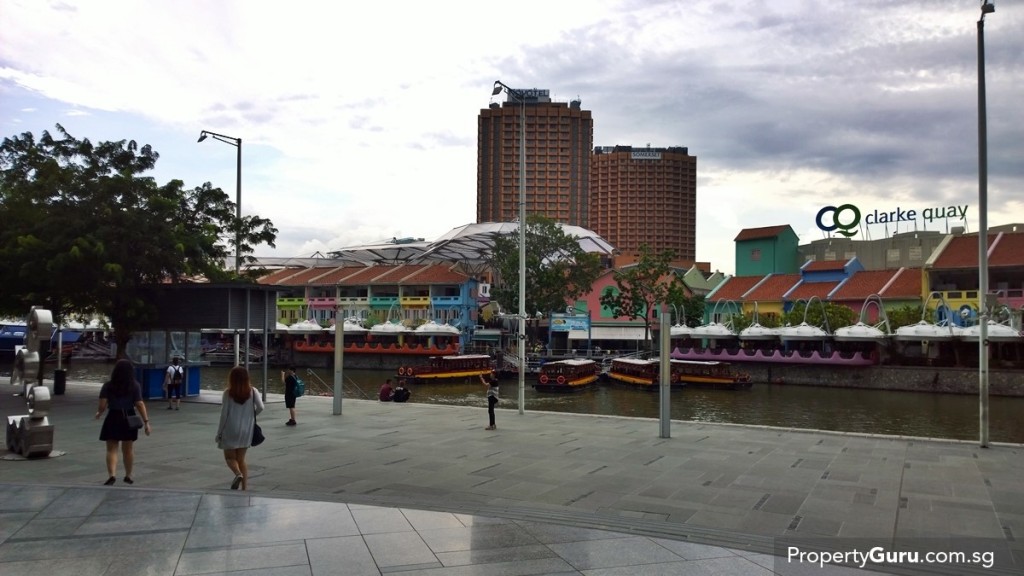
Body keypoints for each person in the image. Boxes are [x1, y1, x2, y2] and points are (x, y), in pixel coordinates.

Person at [95, 359, 151, 485]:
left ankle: (112, 475)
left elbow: (102, 404)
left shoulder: (108, 385)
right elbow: (139, 403)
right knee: (128, 449)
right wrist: (146, 421)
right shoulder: (134, 385)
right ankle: (129, 475)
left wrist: (99, 413)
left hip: (113, 416)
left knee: (111, 449)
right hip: (129, 417)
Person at [216, 366, 264, 490]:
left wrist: (219, 433)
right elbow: (261, 407)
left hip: (230, 429)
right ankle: (245, 488)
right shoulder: (253, 391)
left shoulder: (228, 393)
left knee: (229, 458)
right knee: (241, 459)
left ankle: (238, 474)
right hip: (246, 430)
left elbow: (224, 415)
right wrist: (251, 416)